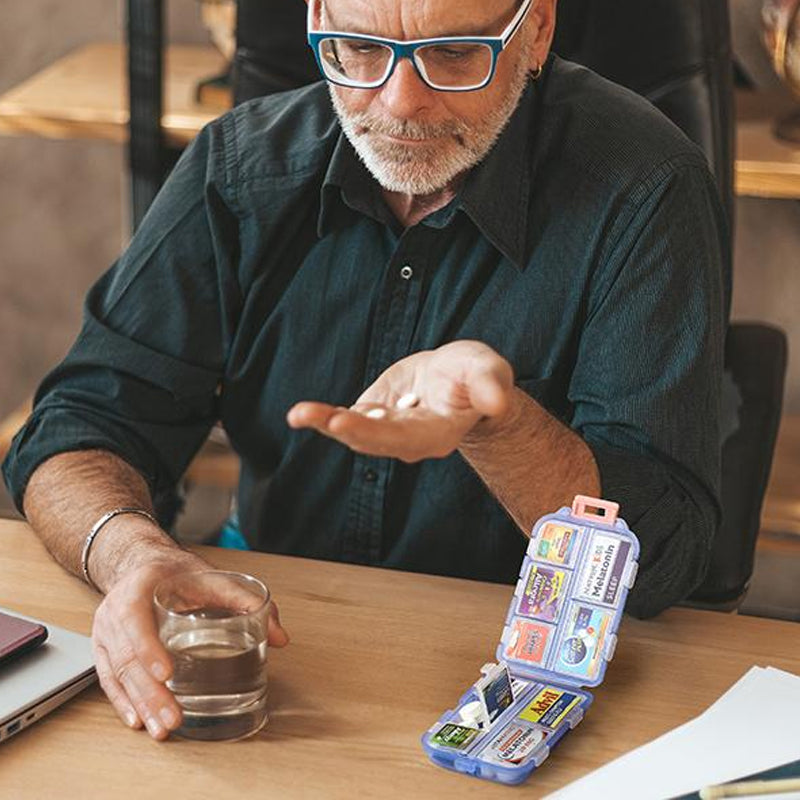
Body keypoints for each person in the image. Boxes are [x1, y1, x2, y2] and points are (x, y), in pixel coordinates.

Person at [2, 0, 727, 741]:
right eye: (358, 48)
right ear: (317, 18)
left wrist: (500, 426)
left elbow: (667, 551)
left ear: (535, 29)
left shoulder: (646, 188)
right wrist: (133, 555)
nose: (400, 102)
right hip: (284, 655)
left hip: (519, 682)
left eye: (453, 55)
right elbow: (78, 425)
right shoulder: (240, 166)